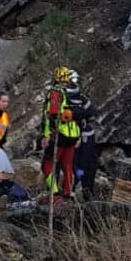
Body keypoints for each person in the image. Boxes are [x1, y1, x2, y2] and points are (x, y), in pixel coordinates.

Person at [38, 67, 88, 199]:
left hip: (59, 135)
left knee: (47, 165)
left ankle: (54, 192)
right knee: (67, 165)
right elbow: (83, 116)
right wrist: (79, 136)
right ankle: (68, 192)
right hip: (73, 135)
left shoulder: (56, 93)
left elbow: (51, 115)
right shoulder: (77, 94)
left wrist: (47, 135)